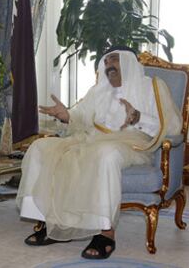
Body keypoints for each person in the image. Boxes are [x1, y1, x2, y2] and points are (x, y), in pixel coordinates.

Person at [16, 46, 182, 259]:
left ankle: (106, 233)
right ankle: (53, 224)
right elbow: (81, 115)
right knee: (40, 148)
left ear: (129, 63)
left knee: (105, 154)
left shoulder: (152, 87)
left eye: (114, 60)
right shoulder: (99, 90)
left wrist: (139, 118)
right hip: (91, 139)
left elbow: (173, 127)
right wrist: (66, 115)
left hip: (132, 142)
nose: (109, 65)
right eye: (106, 61)